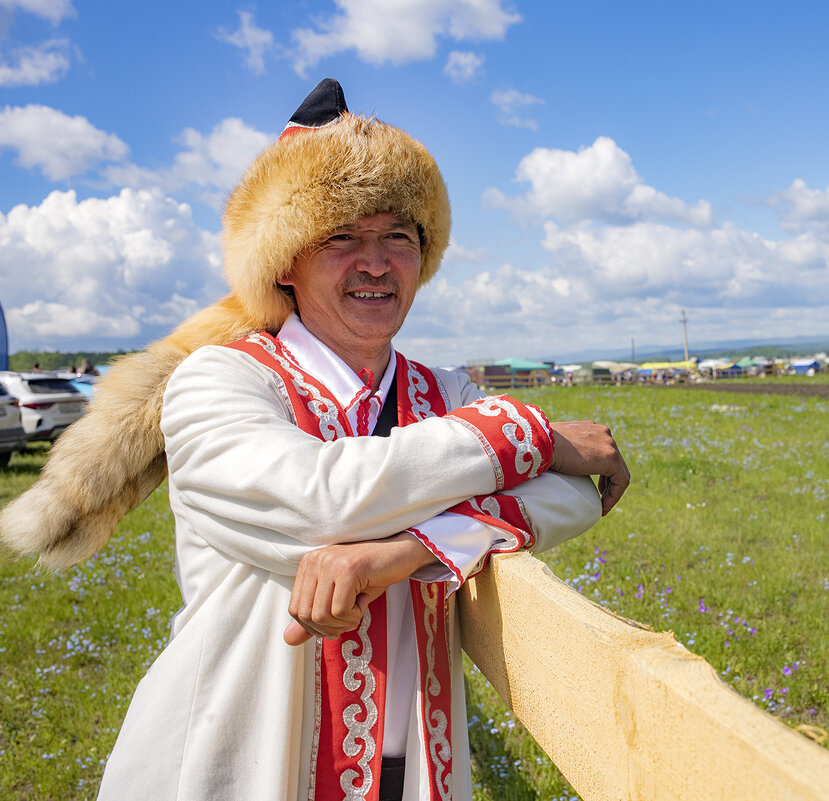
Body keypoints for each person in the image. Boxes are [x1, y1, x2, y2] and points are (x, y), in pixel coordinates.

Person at [1, 79, 628, 801]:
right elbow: (319, 503)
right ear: (283, 264)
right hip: (236, 768)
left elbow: (571, 491)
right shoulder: (218, 383)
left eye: (399, 234)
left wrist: (412, 551)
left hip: (415, 772)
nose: (376, 260)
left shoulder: (446, 395)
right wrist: (530, 431)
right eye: (340, 236)